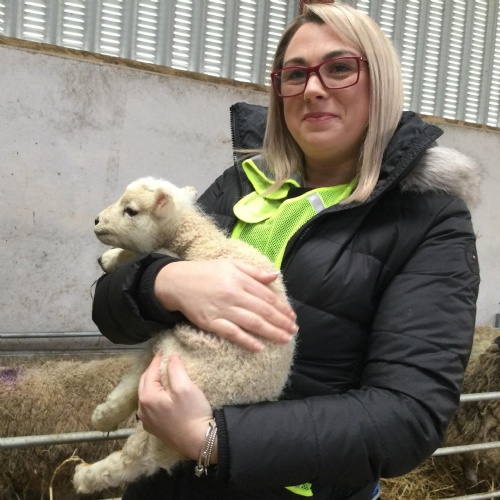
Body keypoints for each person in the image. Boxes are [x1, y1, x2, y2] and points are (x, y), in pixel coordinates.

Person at [92, 3, 481, 499]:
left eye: (339, 68)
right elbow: (109, 312)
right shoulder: (241, 184)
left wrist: (211, 440)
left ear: (380, 82)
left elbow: (408, 416)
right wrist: (161, 283)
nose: (313, 87)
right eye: (295, 74)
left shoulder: (428, 219)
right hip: (166, 483)